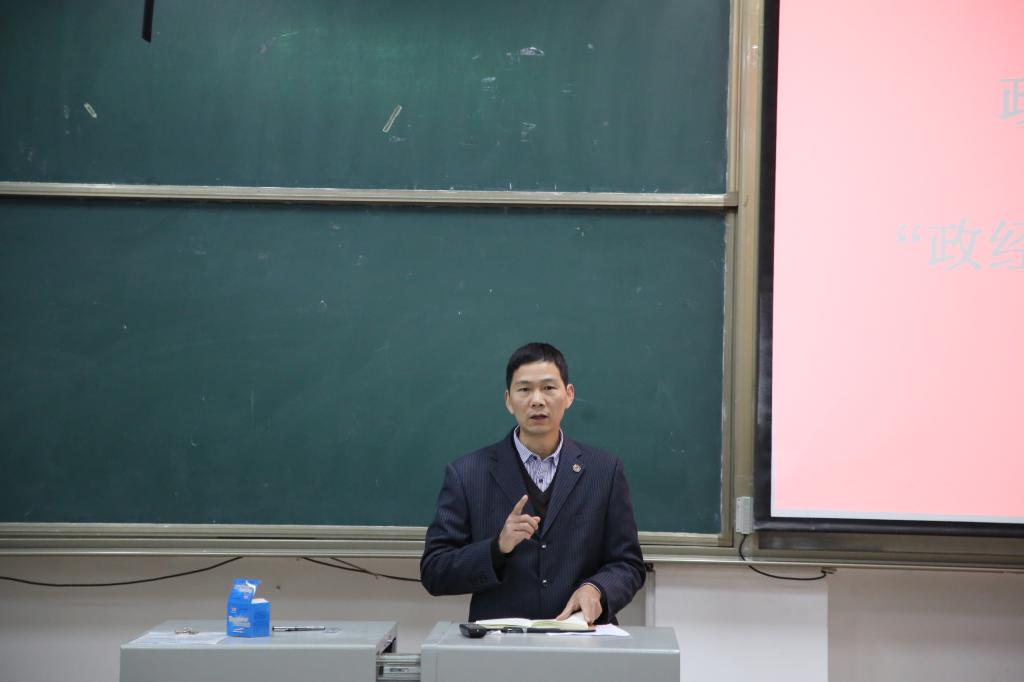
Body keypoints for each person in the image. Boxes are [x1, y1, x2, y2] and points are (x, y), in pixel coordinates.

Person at [420, 342, 645, 625]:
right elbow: (434, 570)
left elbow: (628, 563)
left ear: (569, 395)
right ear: (508, 400)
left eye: (549, 388)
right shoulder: (467, 473)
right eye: (524, 389)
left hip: (581, 638)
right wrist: (497, 548)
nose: (537, 400)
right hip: (500, 643)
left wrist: (597, 589)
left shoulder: (604, 471)